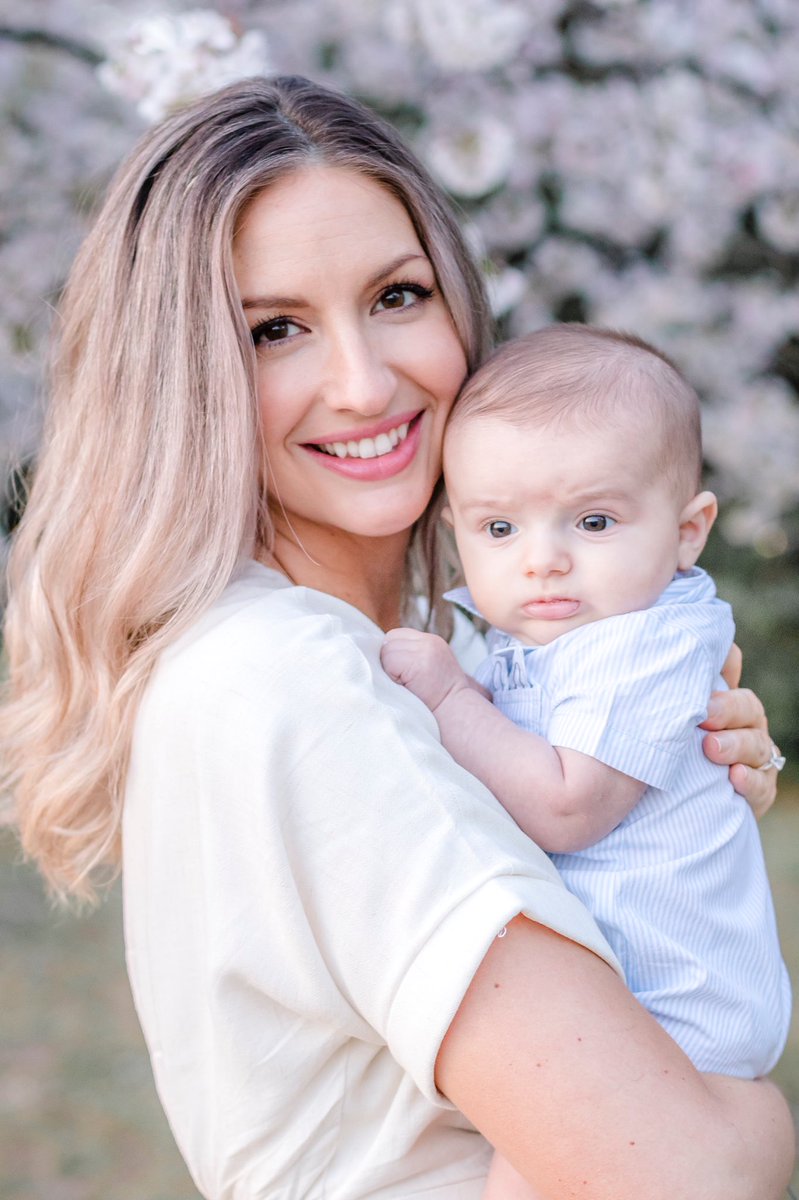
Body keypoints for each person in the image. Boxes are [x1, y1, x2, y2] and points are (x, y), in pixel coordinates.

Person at [0, 76, 792, 1200]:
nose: (364, 382)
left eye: (398, 296)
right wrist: (754, 1123)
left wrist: (669, 798)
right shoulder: (294, 678)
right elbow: (686, 1177)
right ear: (185, 380)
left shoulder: (403, 655)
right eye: (275, 329)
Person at [379, 324, 792, 1197]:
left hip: (676, 1020)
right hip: (621, 1013)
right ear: (458, 530)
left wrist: (452, 701)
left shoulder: (638, 645)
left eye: (594, 520)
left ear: (689, 531)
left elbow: (567, 804)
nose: (542, 559)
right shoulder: (542, 635)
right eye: (498, 527)